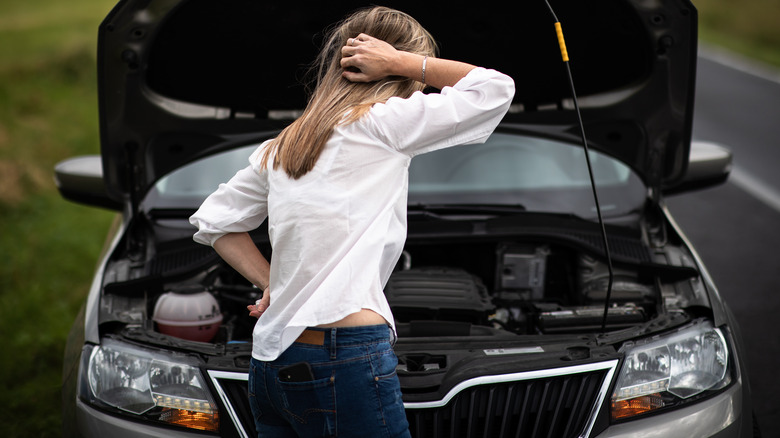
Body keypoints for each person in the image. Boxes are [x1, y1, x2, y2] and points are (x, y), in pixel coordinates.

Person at [189, 5, 514, 437]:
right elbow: (494, 88)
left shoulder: (284, 144)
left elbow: (216, 221)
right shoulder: (383, 124)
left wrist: (274, 285)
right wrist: (399, 61)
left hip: (271, 361)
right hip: (343, 355)